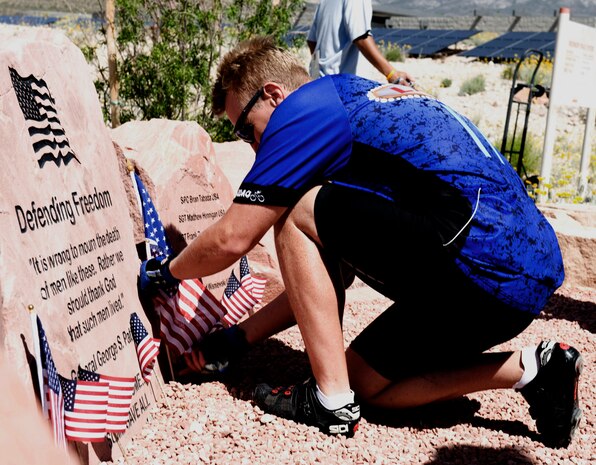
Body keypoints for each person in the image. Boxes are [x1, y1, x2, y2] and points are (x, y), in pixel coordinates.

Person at [139, 36, 583, 448]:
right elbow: (327, 269)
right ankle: (535, 370)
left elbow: (234, 237)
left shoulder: (306, 110)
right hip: (512, 285)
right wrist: (236, 340)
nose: (254, 146)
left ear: (274, 94)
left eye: (246, 129)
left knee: (295, 210)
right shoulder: (353, 97)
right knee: (368, 385)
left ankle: (329, 403)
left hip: (478, 261)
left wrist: (166, 271)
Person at [307, 0, 414, 85]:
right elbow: (361, 37)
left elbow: (312, 42)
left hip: (322, 83)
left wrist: (316, 76)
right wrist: (392, 74)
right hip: (344, 87)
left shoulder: (325, 2)